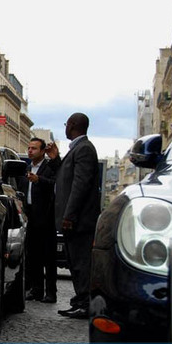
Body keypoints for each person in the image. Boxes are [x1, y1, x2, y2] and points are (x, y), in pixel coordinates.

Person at [46, 112, 101, 319]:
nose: (65, 128)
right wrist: (55, 160)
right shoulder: (78, 149)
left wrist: (69, 215)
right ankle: (79, 301)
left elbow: (80, 185)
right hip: (75, 219)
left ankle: (85, 303)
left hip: (79, 221)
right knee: (75, 263)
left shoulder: (84, 149)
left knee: (81, 263)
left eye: (66, 124)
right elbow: (66, 177)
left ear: (73, 125)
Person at [20, 138, 57, 303]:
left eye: (34, 148)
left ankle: (50, 292)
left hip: (46, 217)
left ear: (42, 151)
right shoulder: (27, 168)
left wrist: (39, 180)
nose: (30, 151)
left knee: (48, 257)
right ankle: (36, 290)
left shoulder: (49, 167)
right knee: (32, 255)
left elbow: (55, 184)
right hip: (30, 216)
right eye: (28, 148)